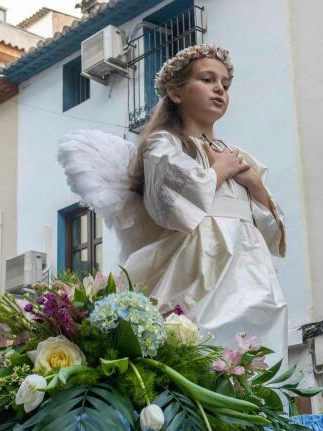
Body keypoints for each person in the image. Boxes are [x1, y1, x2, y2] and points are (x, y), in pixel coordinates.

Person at [59, 44, 288, 361]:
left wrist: (254, 184)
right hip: (198, 265)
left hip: (250, 267)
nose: (219, 89)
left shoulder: (239, 156)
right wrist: (218, 172)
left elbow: (270, 227)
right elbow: (170, 206)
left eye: (225, 83)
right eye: (207, 79)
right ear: (176, 93)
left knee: (258, 346)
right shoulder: (164, 144)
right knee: (202, 345)